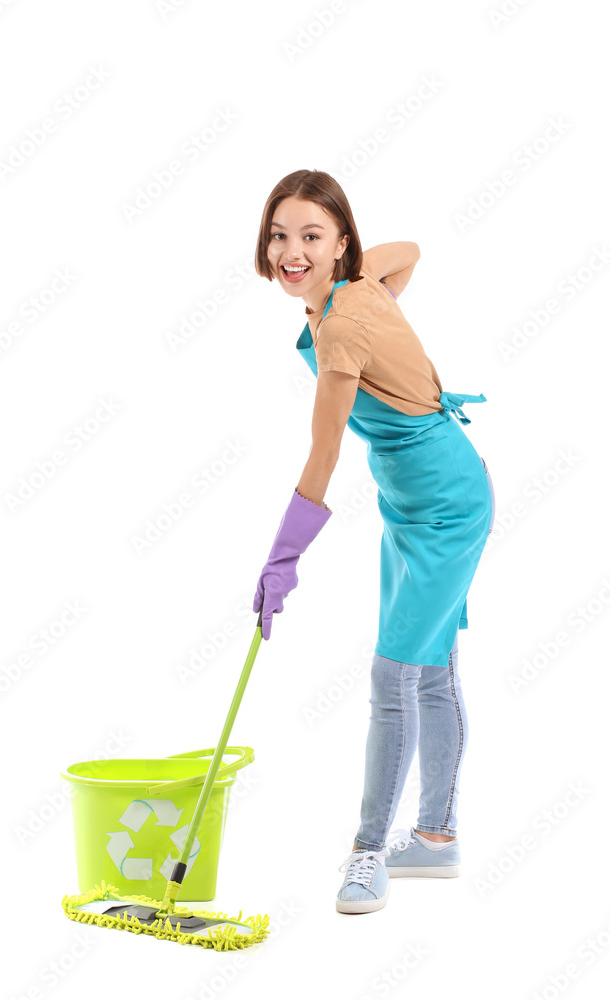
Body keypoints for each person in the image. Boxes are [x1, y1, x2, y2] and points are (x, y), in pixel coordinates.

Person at [252, 169, 495, 915]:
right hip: (413, 503)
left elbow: (323, 454)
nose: (291, 250)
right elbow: (408, 252)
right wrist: (355, 269)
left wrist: (283, 557)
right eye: (280, 234)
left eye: (312, 236)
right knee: (426, 670)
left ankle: (367, 852)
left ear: (339, 244)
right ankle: (434, 839)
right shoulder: (355, 290)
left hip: (446, 508)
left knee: (394, 677)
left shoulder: (340, 330)